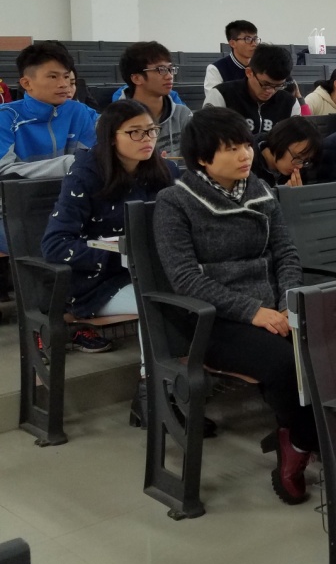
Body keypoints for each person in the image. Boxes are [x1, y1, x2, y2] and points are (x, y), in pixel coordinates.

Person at [153, 107, 317, 503]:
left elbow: (286, 253)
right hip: (213, 320)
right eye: (231, 149)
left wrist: (287, 303)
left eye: (246, 144)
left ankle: (309, 435)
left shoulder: (259, 189)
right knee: (285, 363)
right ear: (203, 158)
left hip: (273, 309)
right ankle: (299, 444)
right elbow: (186, 279)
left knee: (329, 346)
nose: (245, 154)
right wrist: (252, 312)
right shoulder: (175, 201)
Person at [41, 99, 176, 354]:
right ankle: (155, 375)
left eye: (151, 130)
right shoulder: (85, 175)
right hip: (100, 283)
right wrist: (119, 255)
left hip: (155, 271)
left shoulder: (165, 170)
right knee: (162, 303)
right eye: (135, 132)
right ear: (111, 137)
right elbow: (55, 245)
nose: (147, 139)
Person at [0, 41, 98, 184]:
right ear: (27, 83)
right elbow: (3, 171)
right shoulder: (6, 117)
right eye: (53, 77)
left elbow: (92, 159)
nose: (63, 84)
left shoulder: (78, 111)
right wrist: (68, 164)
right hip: (22, 196)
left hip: (76, 193)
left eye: (66, 77)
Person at [202, 44, 300, 135]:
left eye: (278, 86)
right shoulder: (221, 95)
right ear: (249, 72)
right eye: (265, 84)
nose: (270, 91)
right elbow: (207, 138)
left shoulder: (290, 103)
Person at [116, 41, 191, 160]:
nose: (169, 76)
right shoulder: (113, 119)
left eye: (170, 69)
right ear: (136, 78)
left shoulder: (183, 115)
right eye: (161, 70)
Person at [252, 116, 321, 188]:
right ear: (280, 142)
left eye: (305, 161)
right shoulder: (249, 163)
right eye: (297, 157)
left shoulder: (302, 168)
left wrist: (299, 193)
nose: (300, 166)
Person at [204, 20, 258, 91]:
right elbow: (214, 97)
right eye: (248, 39)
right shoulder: (216, 69)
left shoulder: (261, 66)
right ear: (232, 43)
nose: (254, 44)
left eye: (255, 39)